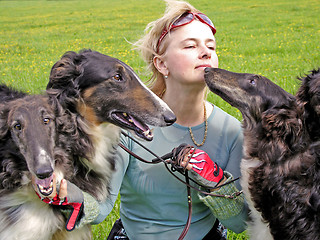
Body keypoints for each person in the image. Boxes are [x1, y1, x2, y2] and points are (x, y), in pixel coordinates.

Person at [34, 0, 248, 239]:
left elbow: (239, 223)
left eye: (212, 46)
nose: (206, 52)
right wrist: (69, 195)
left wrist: (216, 181)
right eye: (190, 46)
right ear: (161, 63)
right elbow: (101, 208)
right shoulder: (127, 126)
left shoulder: (232, 131)